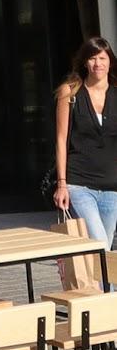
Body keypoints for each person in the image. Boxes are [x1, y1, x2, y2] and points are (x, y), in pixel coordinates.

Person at [53, 37, 117, 247]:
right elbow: (61, 139)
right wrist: (61, 184)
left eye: (102, 58)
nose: (97, 64)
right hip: (79, 184)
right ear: (84, 62)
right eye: (92, 58)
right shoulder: (70, 92)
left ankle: (103, 283)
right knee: (100, 245)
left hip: (111, 186)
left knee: (104, 255)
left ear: (110, 62)